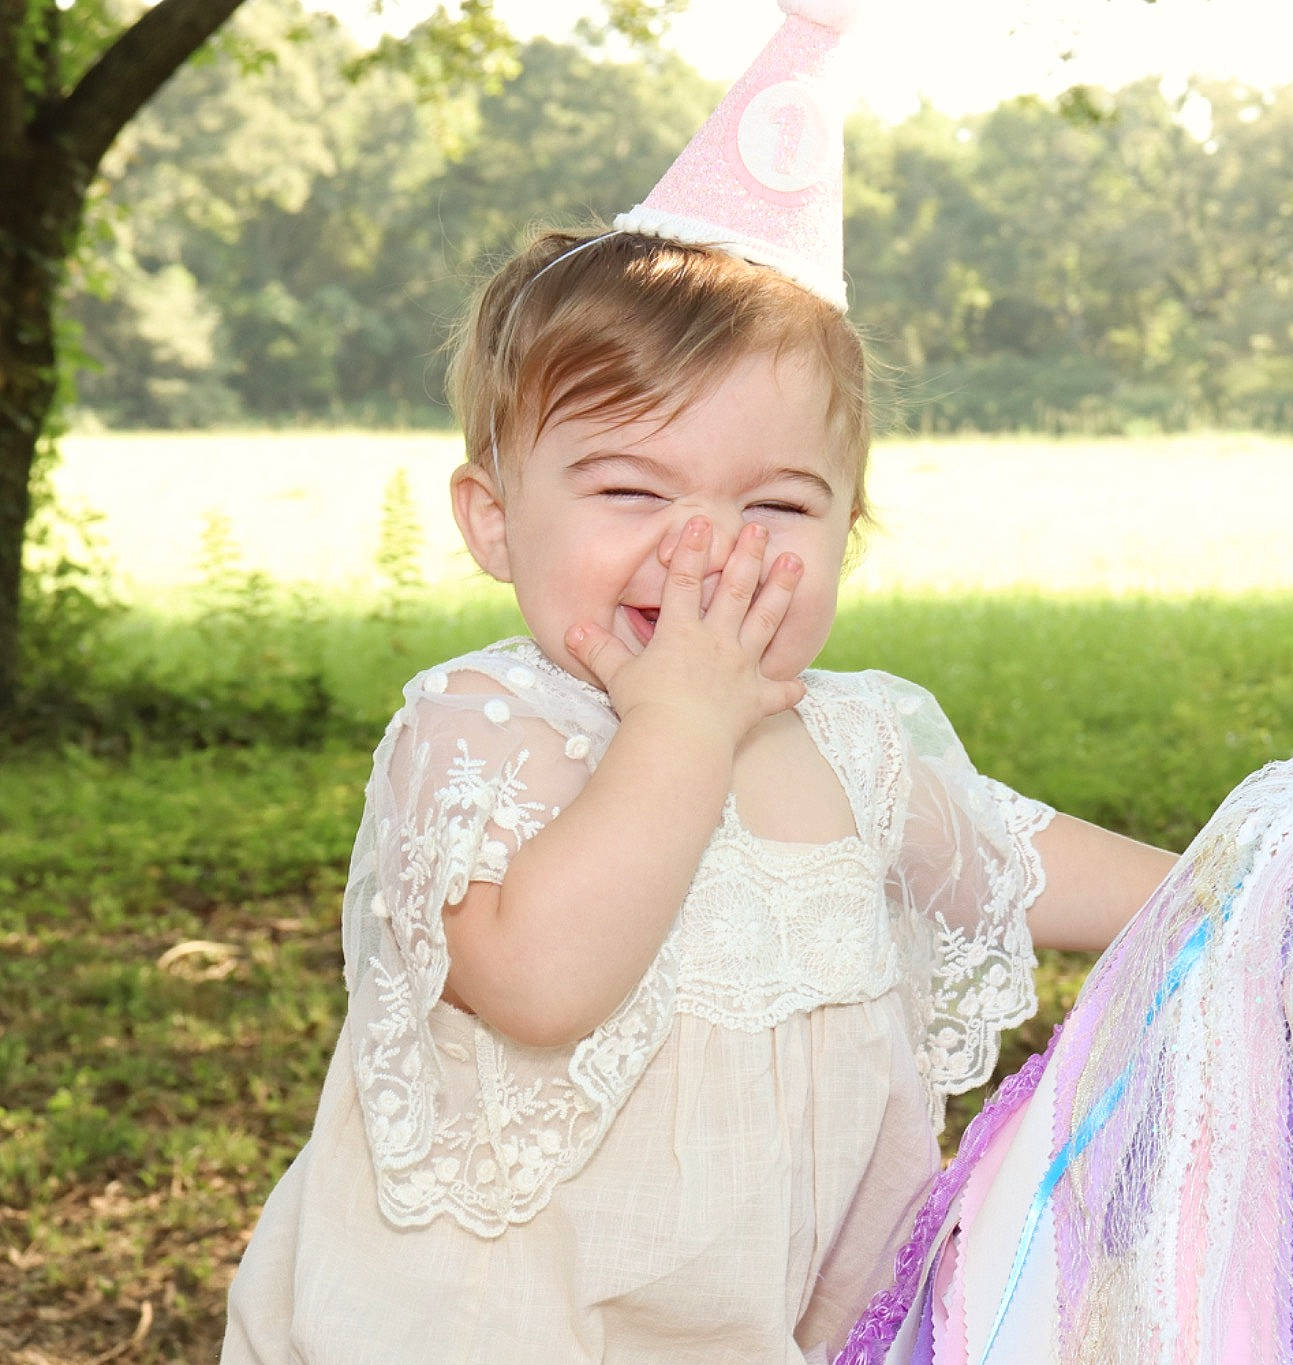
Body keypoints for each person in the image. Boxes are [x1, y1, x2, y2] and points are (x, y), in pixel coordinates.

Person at [219, 2, 1176, 1360]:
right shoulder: (486, 726)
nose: (709, 546)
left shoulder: (857, 745)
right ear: (496, 522)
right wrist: (677, 722)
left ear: (848, 534)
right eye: (631, 486)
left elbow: (1020, 862)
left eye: (777, 506)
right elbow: (543, 982)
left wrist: (1257, 877)